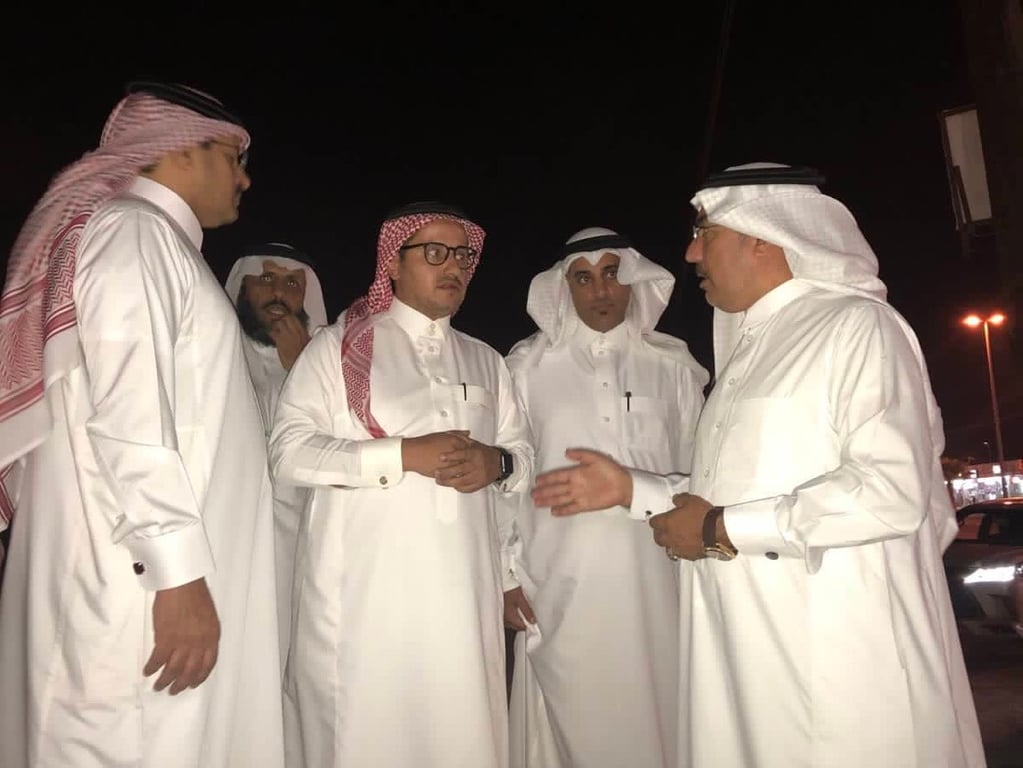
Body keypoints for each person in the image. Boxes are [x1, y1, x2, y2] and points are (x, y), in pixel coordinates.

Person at [531, 164, 986, 767]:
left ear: (762, 238)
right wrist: (631, 489)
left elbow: (889, 491)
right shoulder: (751, 348)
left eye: (706, 234)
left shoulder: (856, 327)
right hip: (751, 651)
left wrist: (718, 530)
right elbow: (734, 488)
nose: (691, 253)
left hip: (838, 651)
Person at [0, 82, 285, 767]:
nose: (244, 178)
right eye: (234, 157)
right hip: (131, 586)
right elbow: (130, 413)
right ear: (182, 148)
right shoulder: (134, 231)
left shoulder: (155, 241)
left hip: (137, 574)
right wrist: (175, 575)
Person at [268, 201, 534, 768]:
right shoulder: (338, 348)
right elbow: (288, 453)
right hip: (363, 603)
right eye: (434, 252)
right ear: (392, 262)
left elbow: (522, 460)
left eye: (462, 255)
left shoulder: (487, 361)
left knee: (461, 735)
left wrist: (497, 464)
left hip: (464, 602)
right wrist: (403, 455)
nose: (454, 266)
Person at [501, 227, 707, 768]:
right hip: (557, 574)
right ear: (563, 288)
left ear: (634, 279)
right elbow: (508, 480)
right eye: (583, 278)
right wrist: (504, 574)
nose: (600, 290)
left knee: (659, 713)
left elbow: (703, 471)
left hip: (656, 573)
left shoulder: (674, 367)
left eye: (613, 274)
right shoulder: (526, 368)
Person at [225, 243, 327, 668]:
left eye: (292, 284)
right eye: (266, 279)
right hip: (228, 538)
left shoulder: (327, 359)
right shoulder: (217, 351)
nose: (279, 294)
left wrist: (303, 364)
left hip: (298, 546)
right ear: (242, 287)